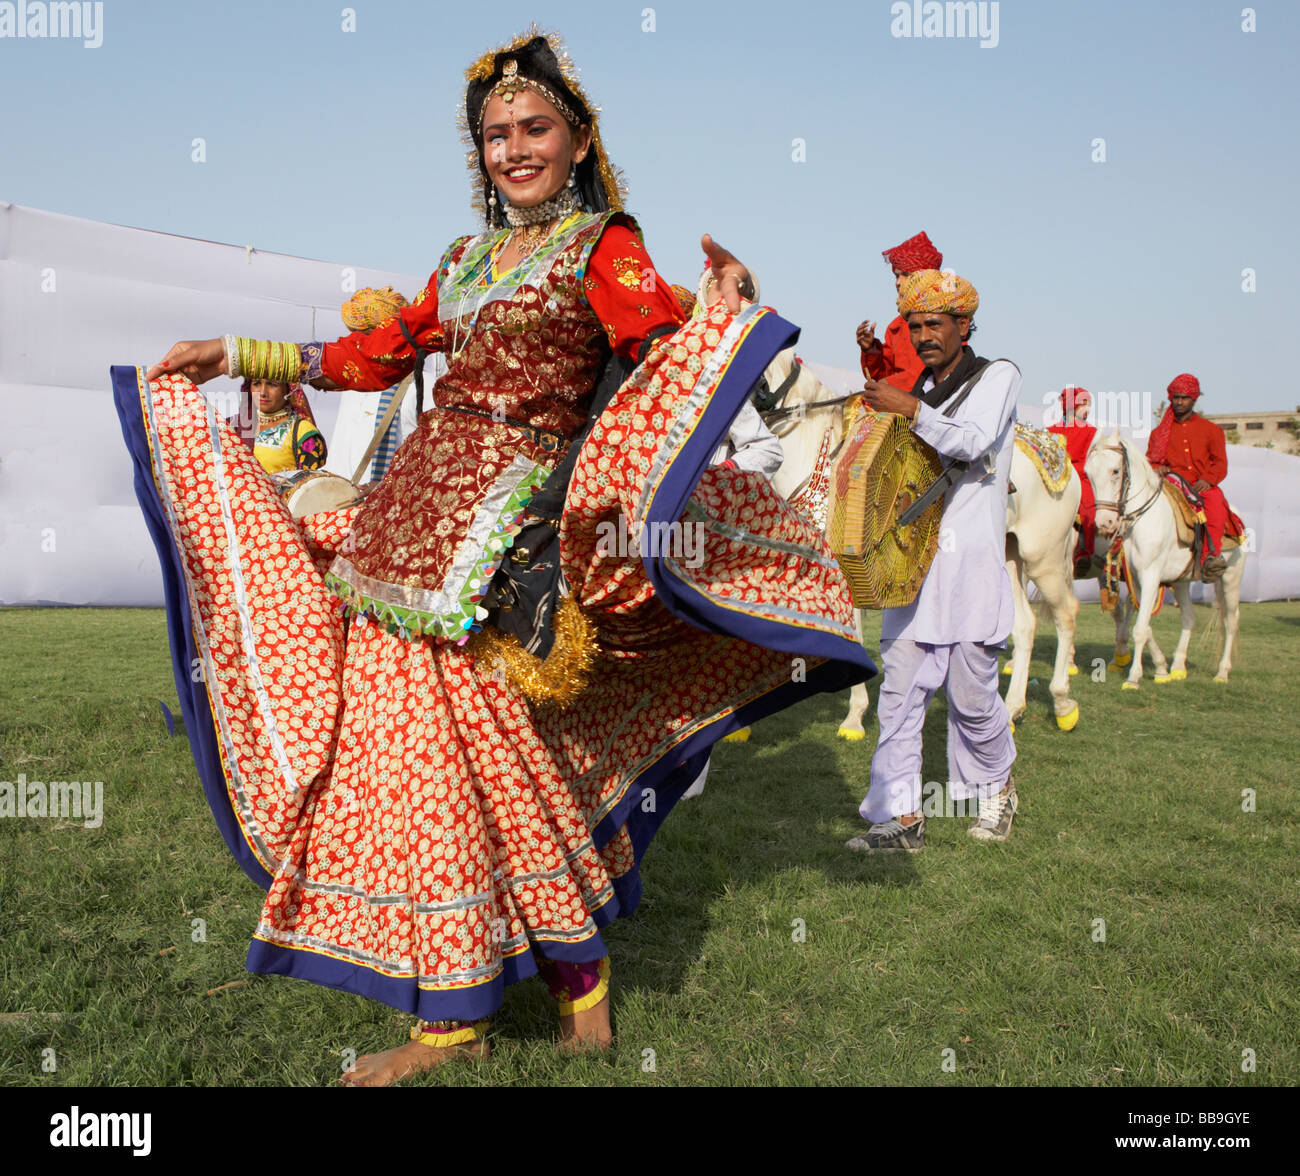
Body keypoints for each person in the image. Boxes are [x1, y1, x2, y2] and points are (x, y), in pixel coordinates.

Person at [122, 30, 870, 1086]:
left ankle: (455, 1019)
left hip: (503, 535)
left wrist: (720, 314)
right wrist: (234, 353)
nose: (513, 148)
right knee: (470, 765)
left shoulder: (603, 245)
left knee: (449, 759)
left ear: (576, 142)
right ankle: (576, 979)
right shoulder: (464, 260)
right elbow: (375, 354)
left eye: (534, 128)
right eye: (495, 135)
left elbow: (657, 349)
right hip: (407, 522)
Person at [844, 269, 1020, 853]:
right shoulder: (915, 387)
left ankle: (997, 791)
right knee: (899, 695)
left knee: (972, 699)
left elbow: (972, 441)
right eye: (915, 325)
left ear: (963, 325)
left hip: (968, 564)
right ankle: (900, 820)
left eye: (934, 324)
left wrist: (909, 409)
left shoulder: (998, 376)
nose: (923, 335)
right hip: (912, 567)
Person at [324, 287, 422, 485]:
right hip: (341, 506)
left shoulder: (420, 385)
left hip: (389, 505)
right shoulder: (351, 384)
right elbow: (340, 457)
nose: (355, 343)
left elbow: (427, 460)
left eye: (364, 336)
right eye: (354, 335)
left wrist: (387, 487)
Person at [1147, 373, 1231, 581]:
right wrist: (1158, 468)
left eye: (1184, 398)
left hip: (1201, 485)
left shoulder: (1212, 430)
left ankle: (1211, 557)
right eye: (1176, 397)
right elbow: (1152, 461)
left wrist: (1209, 480)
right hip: (1172, 485)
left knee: (1215, 504)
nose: (1179, 402)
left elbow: (1220, 463)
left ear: (1194, 399)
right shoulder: (1159, 433)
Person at [855, 231, 943, 393]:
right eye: (896, 276)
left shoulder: (944, 321)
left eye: (906, 275)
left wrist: (886, 385)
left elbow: (931, 376)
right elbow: (883, 375)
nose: (898, 282)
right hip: (900, 407)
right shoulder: (896, 327)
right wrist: (871, 351)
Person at [1048, 385, 1098, 577]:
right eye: (1085, 406)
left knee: (1089, 510)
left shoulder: (1052, 430)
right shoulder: (1090, 431)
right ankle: (1084, 551)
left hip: (1068, 477)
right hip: (1069, 477)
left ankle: (1083, 551)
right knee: (1089, 511)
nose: (1088, 411)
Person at [230, 377, 327, 475]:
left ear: (289, 389)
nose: (263, 393)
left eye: (272, 384)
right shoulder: (231, 427)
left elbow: (309, 486)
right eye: (256, 383)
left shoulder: (303, 432)